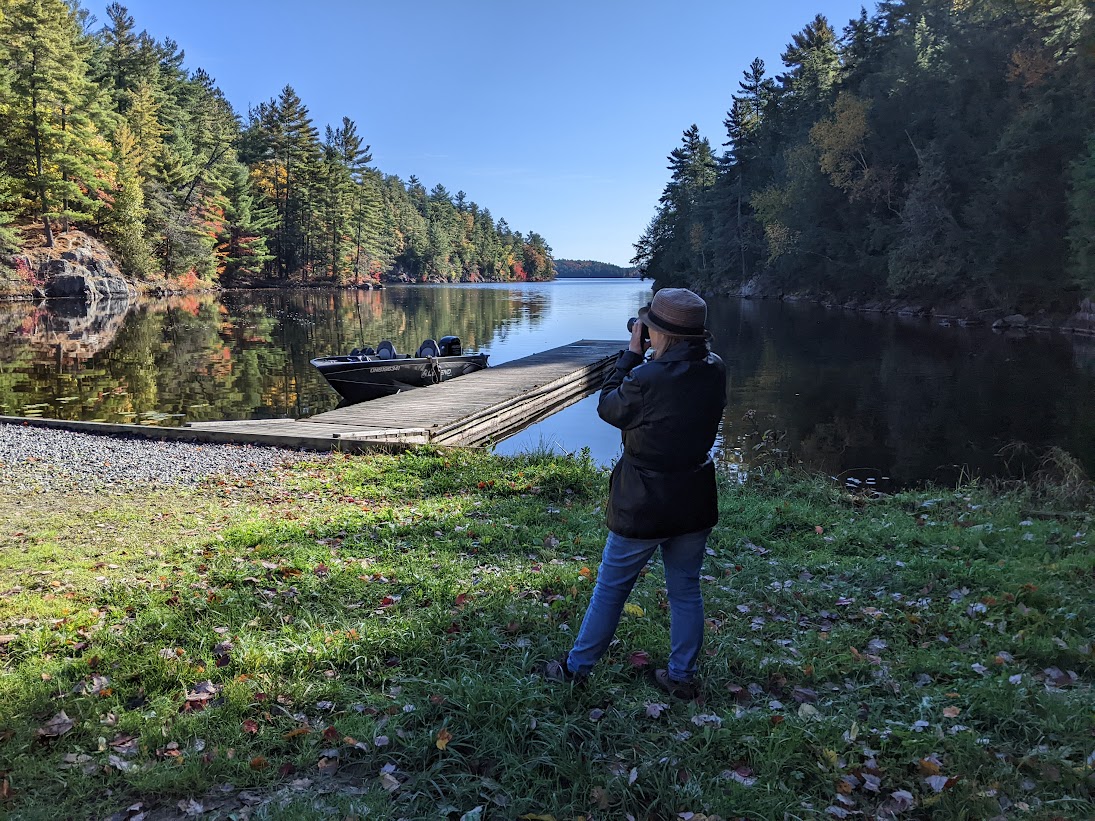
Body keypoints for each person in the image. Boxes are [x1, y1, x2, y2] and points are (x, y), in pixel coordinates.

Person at [546, 287, 727, 699]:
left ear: (658, 333)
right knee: (685, 589)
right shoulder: (715, 368)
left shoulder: (646, 377)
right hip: (694, 497)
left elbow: (609, 407)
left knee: (611, 588)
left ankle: (577, 668)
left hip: (644, 501)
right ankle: (681, 677)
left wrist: (631, 353)